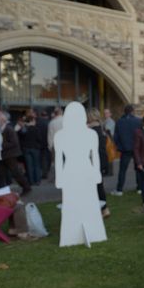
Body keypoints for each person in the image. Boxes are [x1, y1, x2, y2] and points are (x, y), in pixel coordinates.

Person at [54, 102, 107, 247]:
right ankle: (72, 235)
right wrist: (96, 174)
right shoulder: (88, 134)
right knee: (75, 203)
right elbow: (59, 159)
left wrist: (97, 174)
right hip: (79, 170)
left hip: (77, 170)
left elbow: (94, 156)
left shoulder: (65, 135)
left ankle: (92, 231)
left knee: (85, 202)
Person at [0, 110, 31, 195]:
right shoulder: (3, 128)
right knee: (2, 174)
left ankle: (26, 187)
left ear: (3, 119)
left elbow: (14, 142)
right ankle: (3, 192)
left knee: (15, 173)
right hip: (5, 155)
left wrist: (0, 145)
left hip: (10, 154)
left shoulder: (8, 128)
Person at [111, 104, 142, 196]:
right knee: (138, 168)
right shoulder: (138, 121)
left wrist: (119, 146)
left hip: (125, 148)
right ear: (132, 111)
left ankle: (119, 189)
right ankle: (140, 188)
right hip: (136, 148)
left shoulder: (119, 122)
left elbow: (116, 137)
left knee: (122, 170)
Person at [87, 108, 110, 218]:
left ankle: (103, 208)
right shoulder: (101, 128)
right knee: (98, 185)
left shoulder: (91, 130)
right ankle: (103, 208)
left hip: (93, 161)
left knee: (96, 186)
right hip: (101, 160)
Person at [18, 112, 42, 186]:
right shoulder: (36, 129)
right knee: (36, 165)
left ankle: (31, 181)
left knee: (29, 166)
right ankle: (37, 181)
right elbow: (39, 139)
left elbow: (20, 136)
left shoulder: (24, 129)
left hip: (26, 148)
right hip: (35, 149)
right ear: (32, 121)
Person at [36, 110, 51, 179]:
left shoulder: (37, 123)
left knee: (40, 160)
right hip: (47, 142)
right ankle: (46, 172)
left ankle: (41, 173)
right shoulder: (49, 123)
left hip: (39, 143)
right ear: (46, 116)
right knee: (46, 159)